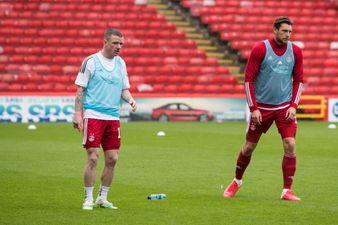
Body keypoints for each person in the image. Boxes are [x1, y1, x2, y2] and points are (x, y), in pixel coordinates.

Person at [223, 16, 304, 201]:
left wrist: (294, 106)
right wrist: (254, 108)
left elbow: (299, 81)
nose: (287, 35)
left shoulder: (296, 51)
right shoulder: (260, 49)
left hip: (284, 107)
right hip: (261, 108)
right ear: (275, 30)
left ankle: (287, 191)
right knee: (249, 147)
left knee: (290, 144)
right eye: (284, 31)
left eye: (290, 31)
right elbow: (249, 80)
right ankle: (237, 181)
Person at [72, 28, 137, 210]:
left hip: (112, 117)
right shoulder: (91, 62)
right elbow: (80, 90)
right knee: (93, 157)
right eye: (115, 43)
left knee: (113, 159)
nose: (119, 47)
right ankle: (88, 198)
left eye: (121, 44)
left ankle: (103, 197)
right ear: (105, 42)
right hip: (93, 115)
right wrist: (78, 114)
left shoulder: (121, 64)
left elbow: (124, 89)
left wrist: (131, 99)